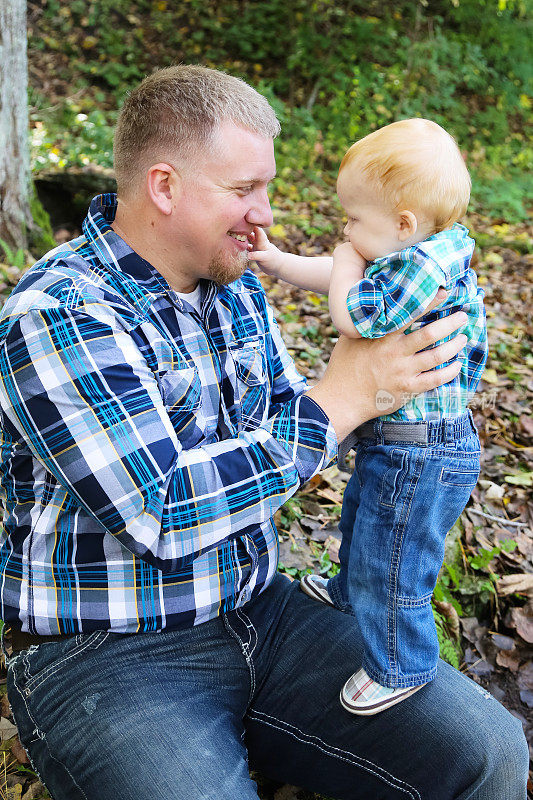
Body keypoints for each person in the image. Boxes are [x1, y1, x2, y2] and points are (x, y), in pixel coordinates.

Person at [0, 66, 526, 800]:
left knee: (488, 753)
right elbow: (162, 510)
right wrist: (340, 400)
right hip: (106, 653)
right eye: (245, 189)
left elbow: (290, 430)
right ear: (164, 187)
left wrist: (400, 401)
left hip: (260, 611)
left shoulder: (235, 287)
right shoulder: (60, 313)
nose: (268, 214)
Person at [250, 118, 488, 715]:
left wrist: (345, 260)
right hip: (400, 443)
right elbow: (342, 278)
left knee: (396, 560)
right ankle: (347, 597)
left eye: (355, 220)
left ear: (404, 223)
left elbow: (354, 315)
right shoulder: (409, 253)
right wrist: (279, 263)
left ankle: (401, 666)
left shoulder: (422, 267)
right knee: (362, 523)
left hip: (423, 450)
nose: (346, 231)